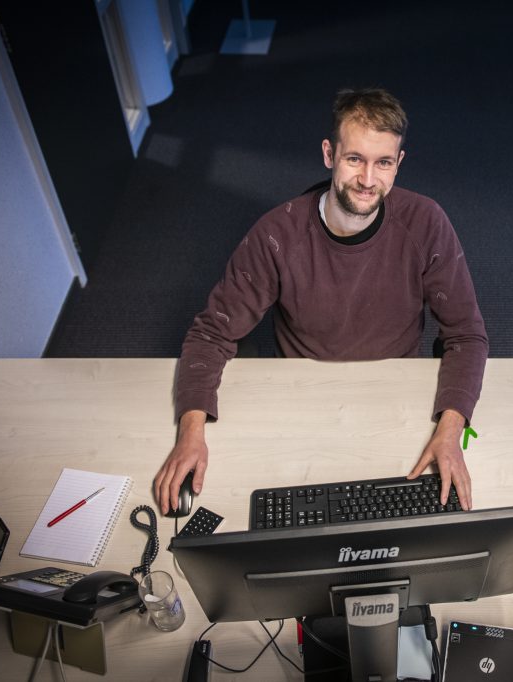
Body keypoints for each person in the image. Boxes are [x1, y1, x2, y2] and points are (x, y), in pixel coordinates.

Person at [154, 87, 488, 517]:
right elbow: (211, 334)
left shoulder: (426, 223)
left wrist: (450, 429)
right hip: (303, 393)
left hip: (396, 391)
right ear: (329, 154)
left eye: (383, 162)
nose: (368, 180)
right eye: (355, 159)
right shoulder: (277, 234)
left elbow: (466, 335)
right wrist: (191, 432)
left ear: (398, 163)